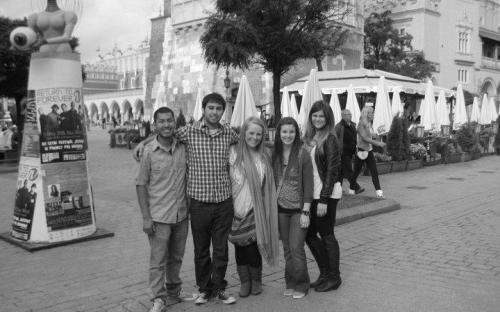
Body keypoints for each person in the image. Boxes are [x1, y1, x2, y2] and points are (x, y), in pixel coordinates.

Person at [134, 93, 239, 306]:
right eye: (211, 108)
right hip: (191, 205)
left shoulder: (227, 132)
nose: (214, 112)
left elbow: (248, 141)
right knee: (196, 251)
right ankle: (195, 290)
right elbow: (163, 136)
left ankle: (215, 288)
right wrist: (143, 142)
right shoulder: (188, 133)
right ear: (203, 109)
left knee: (218, 250)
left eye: (219, 108)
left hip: (215, 204)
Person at [136, 107, 191, 312]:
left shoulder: (183, 146)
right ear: (155, 125)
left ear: (174, 123)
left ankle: (174, 291)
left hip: (182, 214)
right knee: (158, 260)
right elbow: (141, 184)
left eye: (170, 121)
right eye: (162, 121)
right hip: (159, 216)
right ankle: (158, 298)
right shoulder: (148, 152)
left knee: (176, 257)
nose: (166, 124)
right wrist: (145, 217)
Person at [228, 116, 279, 298]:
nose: (255, 137)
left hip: (255, 207)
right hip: (234, 206)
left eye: (259, 134)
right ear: (243, 133)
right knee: (239, 247)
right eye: (251, 133)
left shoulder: (265, 155)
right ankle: (244, 282)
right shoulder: (232, 152)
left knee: (251, 246)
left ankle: (256, 281)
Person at [303, 100, 343, 293]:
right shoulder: (312, 137)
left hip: (326, 194)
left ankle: (334, 277)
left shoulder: (330, 139)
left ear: (328, 118)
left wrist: (324, 199)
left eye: (321, 116)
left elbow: (332, 171)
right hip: (313, 194)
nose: (318, 119)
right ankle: (324, 273)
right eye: (315, 115)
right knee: (310, 234)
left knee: (327, 235)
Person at [272, 117, 313, 299]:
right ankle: (290, 282)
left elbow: (309, 186)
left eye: (291, 131)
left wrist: (305, 211)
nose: (288, 135)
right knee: (287, 249)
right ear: (279, 133)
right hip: (281, 210)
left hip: (298, 210)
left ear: (296, 133)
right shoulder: (274, 154)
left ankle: (303, 283)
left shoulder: (302, 154)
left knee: (296, 247)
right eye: (284, 132)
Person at [349, 103, 386, 198]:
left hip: (368, 150)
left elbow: (370, 135)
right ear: (367, 113)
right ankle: (351, 189)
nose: (373, 114)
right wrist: (378, 143)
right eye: (372, 113)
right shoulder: (361, 124)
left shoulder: (369, 124)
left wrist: (376, 135)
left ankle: (379, 192)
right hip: (362, 150)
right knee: (356, 172)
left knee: (374, 171)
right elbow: (365, 138)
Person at [335, 109, 364, 194]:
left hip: (351, 152)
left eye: (350, 114)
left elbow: (354, 138)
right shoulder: (339, 126)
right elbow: (334, 138)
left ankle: (337, 189)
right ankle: (356, 187)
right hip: (343, 153)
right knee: (348, 171)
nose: (350, 116)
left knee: (340, 172)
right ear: (343, 116)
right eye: (348, 114)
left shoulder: (352, 125)